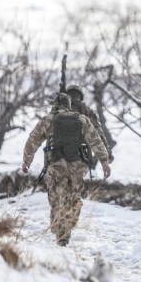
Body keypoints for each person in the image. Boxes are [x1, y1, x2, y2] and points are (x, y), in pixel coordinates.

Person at [21, 92, 111, 246]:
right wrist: (104, 162)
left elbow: (32, 141)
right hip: (78, 168)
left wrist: (26, 162)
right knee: (74, 198)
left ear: (55, 104)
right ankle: (67, 226)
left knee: (57, 201)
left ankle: (61, 235)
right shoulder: (82, 119)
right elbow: (95, 140)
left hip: (57, 167)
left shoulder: (48, 119)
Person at [66, 84, 115, 164]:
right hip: (80, 157)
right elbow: (98, 133)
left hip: (55, 157)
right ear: (80, 96)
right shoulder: (86, 110)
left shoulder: (57, 109)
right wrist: (108, 154)